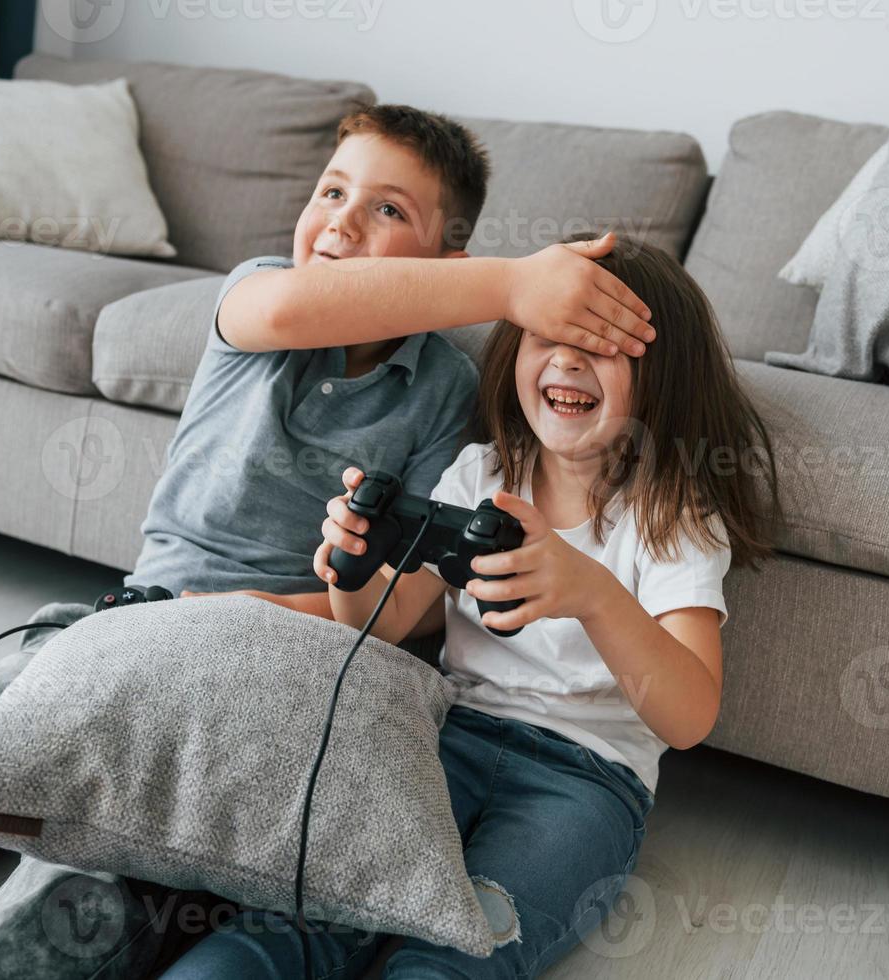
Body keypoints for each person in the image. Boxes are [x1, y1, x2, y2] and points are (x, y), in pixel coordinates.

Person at [0, 107, 656, 979]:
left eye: (388, 210)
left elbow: (405, 600)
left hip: (270, 675)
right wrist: (517, 281)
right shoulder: (258, 301)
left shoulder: (445, 391)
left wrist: (245, 612)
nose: (344, 222)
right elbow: (288, 308)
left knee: (90, 884)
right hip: (125, 624)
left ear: (443, 260)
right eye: (331, 192)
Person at [162, 236, 779, 979]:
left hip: (585, 781)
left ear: (664, 377)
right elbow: (380, 627)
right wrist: (352, 566)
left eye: (603, 346)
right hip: (444, 735)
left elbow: (688, 716)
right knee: (308, 910)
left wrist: (591, 592)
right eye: (549, 335)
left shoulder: (672, 516)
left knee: (462, 947)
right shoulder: (479, 474)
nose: (569, 359)